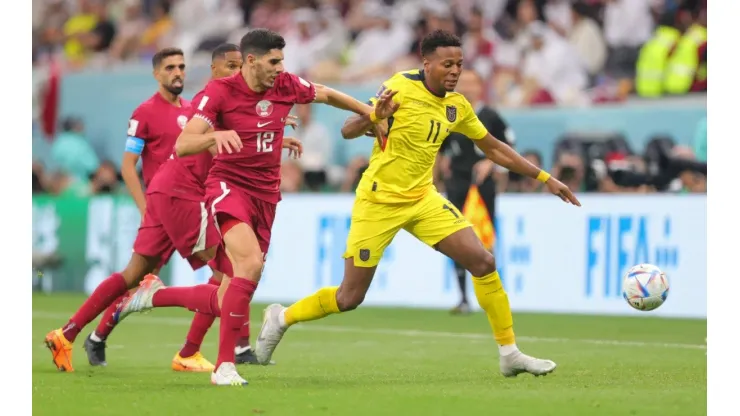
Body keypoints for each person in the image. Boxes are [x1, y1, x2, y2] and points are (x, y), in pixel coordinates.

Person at [254, 30, 580, 378]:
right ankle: (282, 317)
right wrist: (374, 115)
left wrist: (546, 178)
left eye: (459, 64)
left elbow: (494, 147)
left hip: (422, 198)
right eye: (447, 64)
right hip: (378, 201)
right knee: (349, 297)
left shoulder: (457, 106)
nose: (455, 71)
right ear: (426, 64)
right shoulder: (399, 87)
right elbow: (349, 130)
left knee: (483, 261)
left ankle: (509, 352)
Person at [116, 28, 385, 386]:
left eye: (282, 61)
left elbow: (325, 93)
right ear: (252, 61)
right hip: (228, 187)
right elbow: (183, 144)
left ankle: (155, 296)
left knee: (233, 291)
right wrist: (214, 136)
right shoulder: (219, 91)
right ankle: (224, 366)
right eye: (274, 61)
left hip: (266, 195)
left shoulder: (284, 84)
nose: (280, 67)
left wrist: (371, 112)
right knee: (250, 263)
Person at [43, 45, 299, 373]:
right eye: (231, 66)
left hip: (175, 199)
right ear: (214, 69)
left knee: (133, 274)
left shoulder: (199, 106)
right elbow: (128, 165)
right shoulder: (155, 111)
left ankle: (69, 334)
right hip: (176, 198)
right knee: (230, 274)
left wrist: (273, 135)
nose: (177, 72)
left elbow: (236, 143)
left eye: (181, 67)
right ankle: (193, 345)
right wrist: (144, 206)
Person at [439, 69, 515, 315]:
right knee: (455, 239)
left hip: (483, 185)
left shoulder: (490, 115)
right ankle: (463, 297)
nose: (468, 88)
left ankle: (490, 297)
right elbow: (440, 148)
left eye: (473, 83)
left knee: (485, 240)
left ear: (480, 86)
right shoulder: (451, 113)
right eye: (464, 83)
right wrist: (439, 171)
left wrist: (490, 163)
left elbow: (508, 145)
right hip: (457, 183)